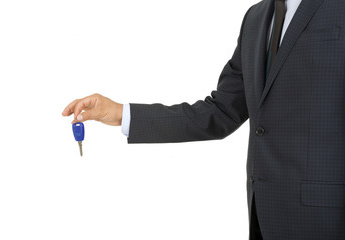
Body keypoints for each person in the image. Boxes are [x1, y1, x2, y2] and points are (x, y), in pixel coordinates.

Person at [62, 0, 345, 239]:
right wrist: (122, 113)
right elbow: (221, 111)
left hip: (327, 218)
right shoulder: (256, 18)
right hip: (264, 215)